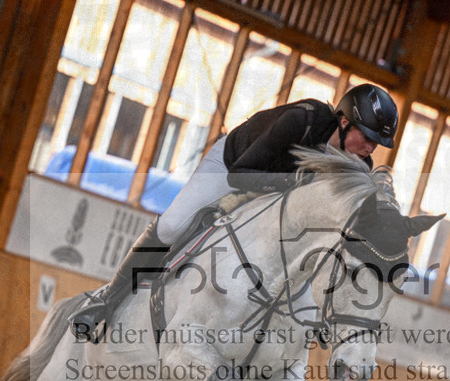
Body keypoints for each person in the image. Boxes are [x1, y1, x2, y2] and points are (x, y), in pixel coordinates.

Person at [69, 83, 399, 336]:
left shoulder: (357, 167)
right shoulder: (304, 119)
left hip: (276, 199)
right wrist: (296, 183)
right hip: (232, 167)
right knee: (171, 226)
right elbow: (240, 174)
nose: (370, 148)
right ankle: (106, 302)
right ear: (343, 121)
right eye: (367, 137)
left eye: (377, 144)